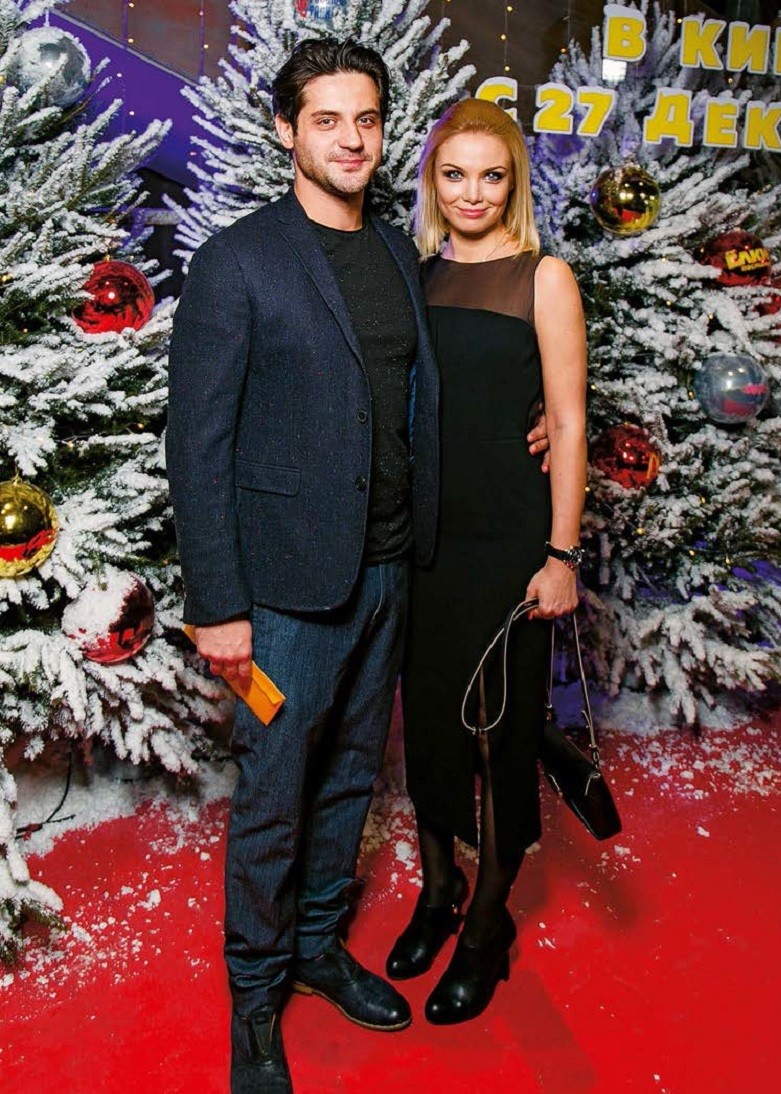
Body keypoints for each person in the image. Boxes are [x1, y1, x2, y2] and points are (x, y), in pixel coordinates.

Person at [166, 38, 440, 1094]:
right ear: (287, 129)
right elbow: (197, 446)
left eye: (366, 119)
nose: (351, 139)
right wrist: (218, 605)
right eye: (327, 119)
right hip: (280, 596)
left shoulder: (395, 254)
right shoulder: (237, 261)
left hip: (385, 573)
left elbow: (413, 397)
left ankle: (319, 947)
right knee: (275, 796)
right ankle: (254, 995)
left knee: (351, 781)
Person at [386, 97, 588, 1025]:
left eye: (491, 175)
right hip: (423, 540)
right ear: (433, 180)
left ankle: (487, 924)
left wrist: (561, 553)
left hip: (508, 540)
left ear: (514, 183)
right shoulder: (414, 274)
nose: (472, 193)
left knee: (495, 731)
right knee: (428, 722)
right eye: (454, 174)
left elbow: (569, 423)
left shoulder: (544, 277)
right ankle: (438, 890)